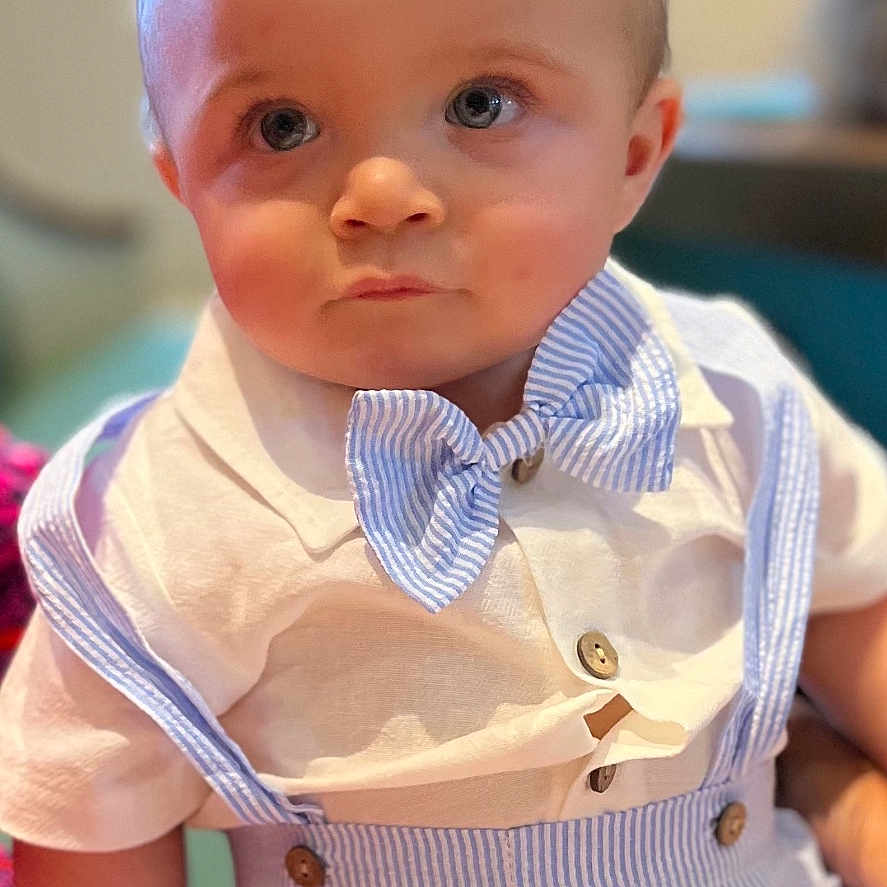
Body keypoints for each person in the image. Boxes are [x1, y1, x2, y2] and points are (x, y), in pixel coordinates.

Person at [2, 0, 887, 883]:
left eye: (481, 105)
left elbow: (853, 602)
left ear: (633, 154)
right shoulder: (148, 518)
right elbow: (88, 831)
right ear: (183, 182)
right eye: (281, 126)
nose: (381, 196)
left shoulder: (732, 390)